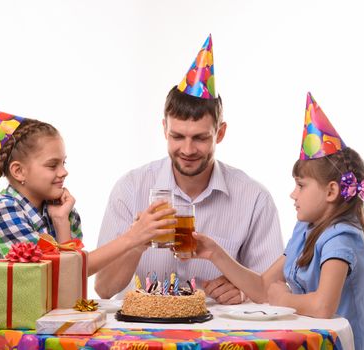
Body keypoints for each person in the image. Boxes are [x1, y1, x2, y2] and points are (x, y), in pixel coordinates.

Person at [0, 101, 175, 350]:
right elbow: (46, 274)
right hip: (9, 339)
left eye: (64, 162)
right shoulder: (5, 209)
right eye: (53, 165)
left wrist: (61, 221)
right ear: (19, 171)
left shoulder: (62, 210)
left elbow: (69, 282)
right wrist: (133, 237)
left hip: (49, 334)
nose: (63, 172)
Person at [95, 34, 284, 304]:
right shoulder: (130, 188)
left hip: (218, 336)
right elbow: (103, 289)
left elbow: (274, 289)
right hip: (141, 333)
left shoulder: (254, 198)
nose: (187, 149)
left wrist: (242, 291)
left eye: (200, 138)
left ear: (220, 133)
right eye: (177, 136)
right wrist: (136, 241)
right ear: (164, 129)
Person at [193, 92, 364, 349]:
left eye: (301, 186)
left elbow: (323, 306)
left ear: (331, 191)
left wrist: (284, 299)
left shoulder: (342, 237)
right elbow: (261, 288)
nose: (293, 194)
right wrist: (215, 253)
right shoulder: (306, 230)